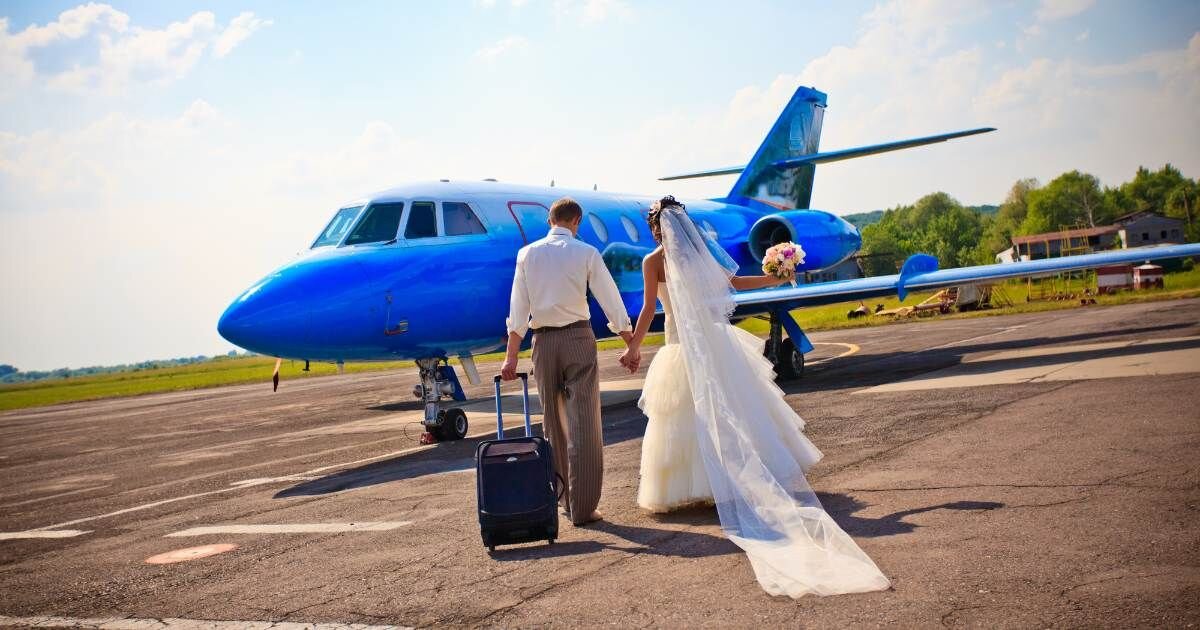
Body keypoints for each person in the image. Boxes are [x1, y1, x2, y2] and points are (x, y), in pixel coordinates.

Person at [623, 196, 890, 598]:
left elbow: (647, 310)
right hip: (715, 341)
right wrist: (772, 279)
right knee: (738, 408)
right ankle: (736, 480)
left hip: (681, 345)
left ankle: (698, 487)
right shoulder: (700, 256)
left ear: (655, 229)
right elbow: (732, 285)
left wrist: (634, 347)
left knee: (686, 416)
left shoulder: (652, 263)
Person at [501, 197, 638, 527]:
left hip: (543, 342)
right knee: (585, 424)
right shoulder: (586, 252)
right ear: (575, 222)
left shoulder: (526, 255)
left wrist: (510, 357)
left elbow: (518, 309)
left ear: (551, 221)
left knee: (554, 424)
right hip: (577, 338)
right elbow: (609, 298)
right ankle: (584, 508)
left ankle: (562, 499)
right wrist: (629, 342)